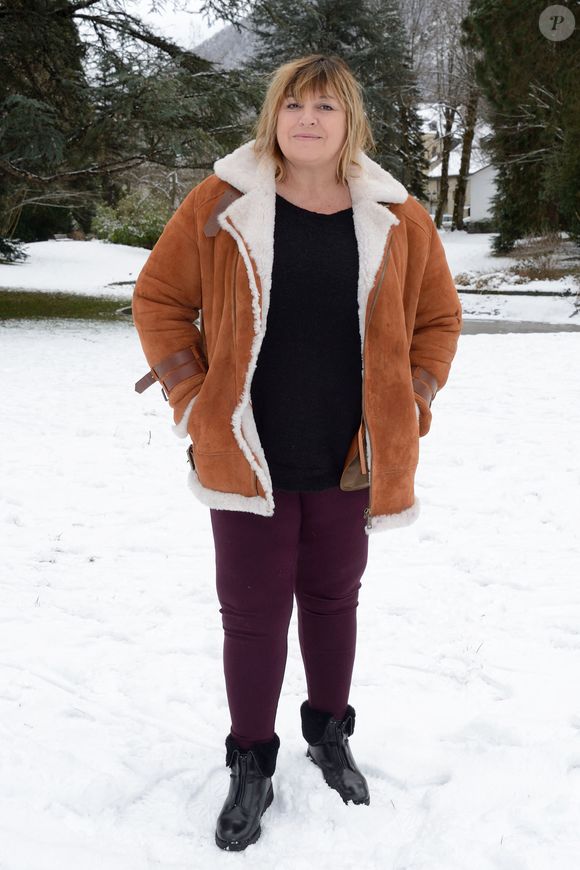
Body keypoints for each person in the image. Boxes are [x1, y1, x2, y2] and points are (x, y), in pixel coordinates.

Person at [132, 53, 462, 851]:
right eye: (293, 105)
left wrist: (413, 401)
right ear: (273, 116)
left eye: (325, 106)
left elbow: (438, 319)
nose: (307, 119)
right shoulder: (222, 204)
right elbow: (160, 299)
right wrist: (191, 399)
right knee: (252, 613)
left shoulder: (397, 214)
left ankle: (329, 733)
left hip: (350, 454)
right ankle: (252, 762)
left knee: (333, 598)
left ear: (351, 121)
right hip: (248, 451)